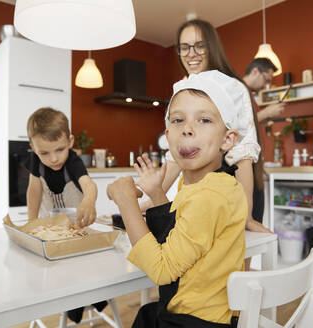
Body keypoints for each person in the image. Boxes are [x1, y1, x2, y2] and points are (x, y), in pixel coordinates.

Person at [107, 70, 247, 327]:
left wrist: (126, 203)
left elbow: (162, 270)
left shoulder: (210, 195)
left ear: (228, 139)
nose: (188, 130)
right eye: (178, 120)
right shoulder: (209, 184)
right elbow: (180, 232)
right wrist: (157, 194)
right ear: (167, 134)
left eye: (204, 120)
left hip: (197, 321)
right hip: (205, 313)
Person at [141, 19, 270, 235]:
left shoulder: (232, 88)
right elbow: (175, 158)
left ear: (212, 47)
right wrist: (151, 199)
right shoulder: (183, 90)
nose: (192, 53)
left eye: (199, 45)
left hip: (237, 190)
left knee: (236, 266)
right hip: (200, 193)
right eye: (185, 47)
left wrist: (246, 214)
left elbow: (243, 154)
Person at [25, 106, 106, 322]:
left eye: (59, 149)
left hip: (78, 227)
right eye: (44, 153)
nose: (53, 159)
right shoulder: (35, 160)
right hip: (51, 229)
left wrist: (89, 201)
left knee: (82, 265)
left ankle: (91, 298)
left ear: (70, 142)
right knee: (56, 269)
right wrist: (31, 222)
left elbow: (89, 186)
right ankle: (75, 299)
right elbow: (34, 190)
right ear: (33, 148)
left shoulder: (73, 161)